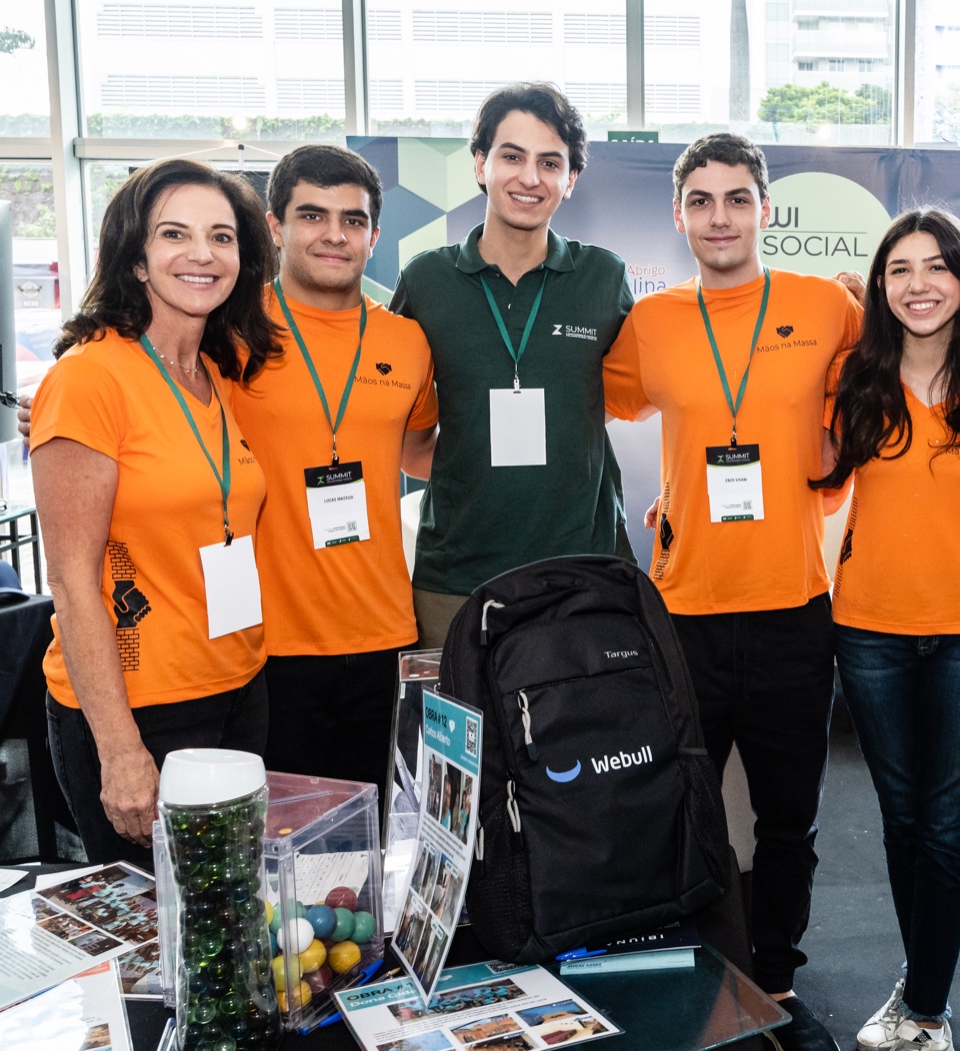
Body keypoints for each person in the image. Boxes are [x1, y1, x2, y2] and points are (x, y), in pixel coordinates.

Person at [603, 133, 862, 1051]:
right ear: (679, 215)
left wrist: (831, 474)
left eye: (737, 199)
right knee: (682, 810)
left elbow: (871, 406)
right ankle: (695, 973)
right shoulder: (651, 322)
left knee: (790, 819)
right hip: (686, 612)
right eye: (702, 201)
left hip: (793, 606)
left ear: (764, 210)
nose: (720, 218)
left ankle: (778, 980)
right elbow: (598, 402)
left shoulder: (826, 307)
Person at [812, 207, 960, 1051]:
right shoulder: (853, 378)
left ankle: (926, 1007)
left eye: (936, 266)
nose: (919, 284)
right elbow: (816, 481)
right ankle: (920, 976)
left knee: (948, 824)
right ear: (880, 287)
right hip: (869, 628)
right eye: (899, 269)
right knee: (902, 818)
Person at [30, 158, 280, 868]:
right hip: (139, 711)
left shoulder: (217, 375)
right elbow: (72, 582)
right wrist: (119, 751)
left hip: (237, 687)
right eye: (175, 234)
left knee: (228, 912)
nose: (203, 253)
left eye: (221, 237)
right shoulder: (88, 379)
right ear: (135, 259)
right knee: (158, 925)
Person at [389, 82, 634, 647]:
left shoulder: (604, 277)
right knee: (458, 708)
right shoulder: (427, 281)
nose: (530, 177)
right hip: (457, 576)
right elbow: (403, 431)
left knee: (583, 707)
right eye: (512, 156)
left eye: (550, 162)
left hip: (583, 570)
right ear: (481, 164)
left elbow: (616, 395)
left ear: (571, 179)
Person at [228, 144, 439, 791]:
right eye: (312, 215)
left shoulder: (406, 340)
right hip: (267, 643)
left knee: (371, 835)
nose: (334, 235)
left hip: (383, 634)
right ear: (275, 226)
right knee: (282, 838)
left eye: (353, 220)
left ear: (374, 235)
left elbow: (417, 451)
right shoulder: (229, 330)